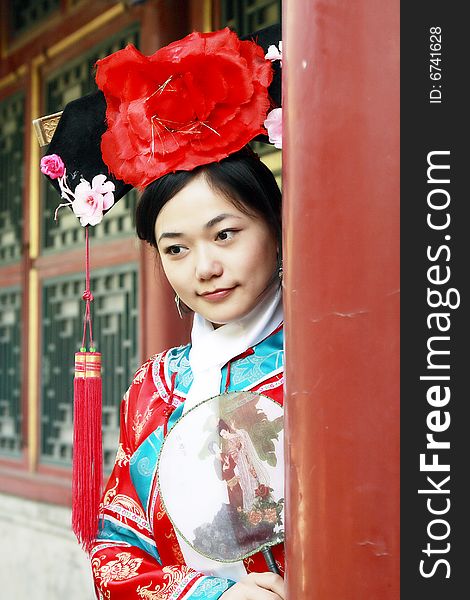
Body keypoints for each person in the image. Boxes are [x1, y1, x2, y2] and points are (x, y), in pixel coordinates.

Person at [39, 25, 285, 600]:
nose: (204, 267)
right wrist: (214, 597)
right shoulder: (156, 387)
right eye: (176, 248)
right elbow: (116, 549)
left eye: (225, 234)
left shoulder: (326, 367)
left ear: (276, 232)